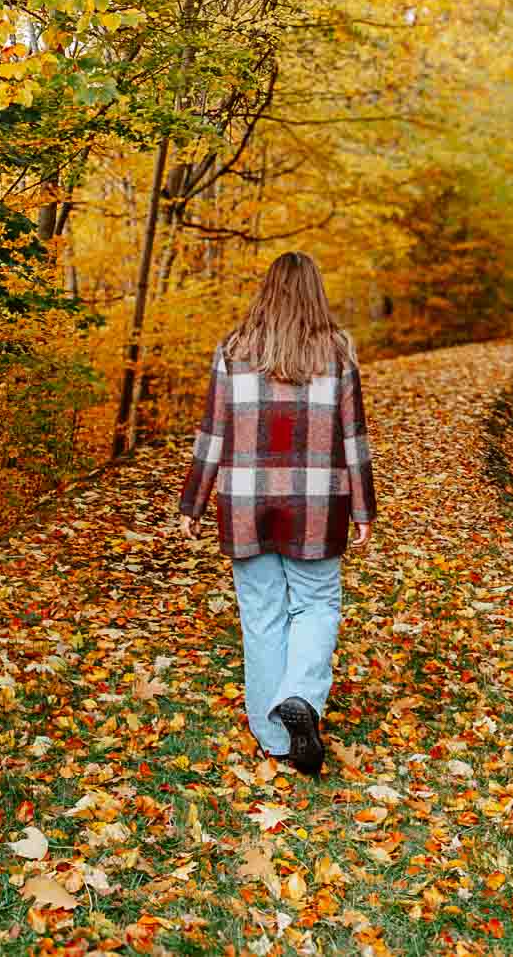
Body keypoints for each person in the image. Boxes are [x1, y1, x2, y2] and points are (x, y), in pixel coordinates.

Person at [177, 251, 376, 775]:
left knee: (261, 615)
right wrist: (363, 506)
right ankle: (301, 700)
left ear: (266, 292)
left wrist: (192, 501)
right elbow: (353, 439)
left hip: (246, 502)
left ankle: (275, 740)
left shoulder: (233, 350)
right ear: (316, 293)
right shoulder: (337, 353)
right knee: (316, 605)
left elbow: (212, 433)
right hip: (316, 503)